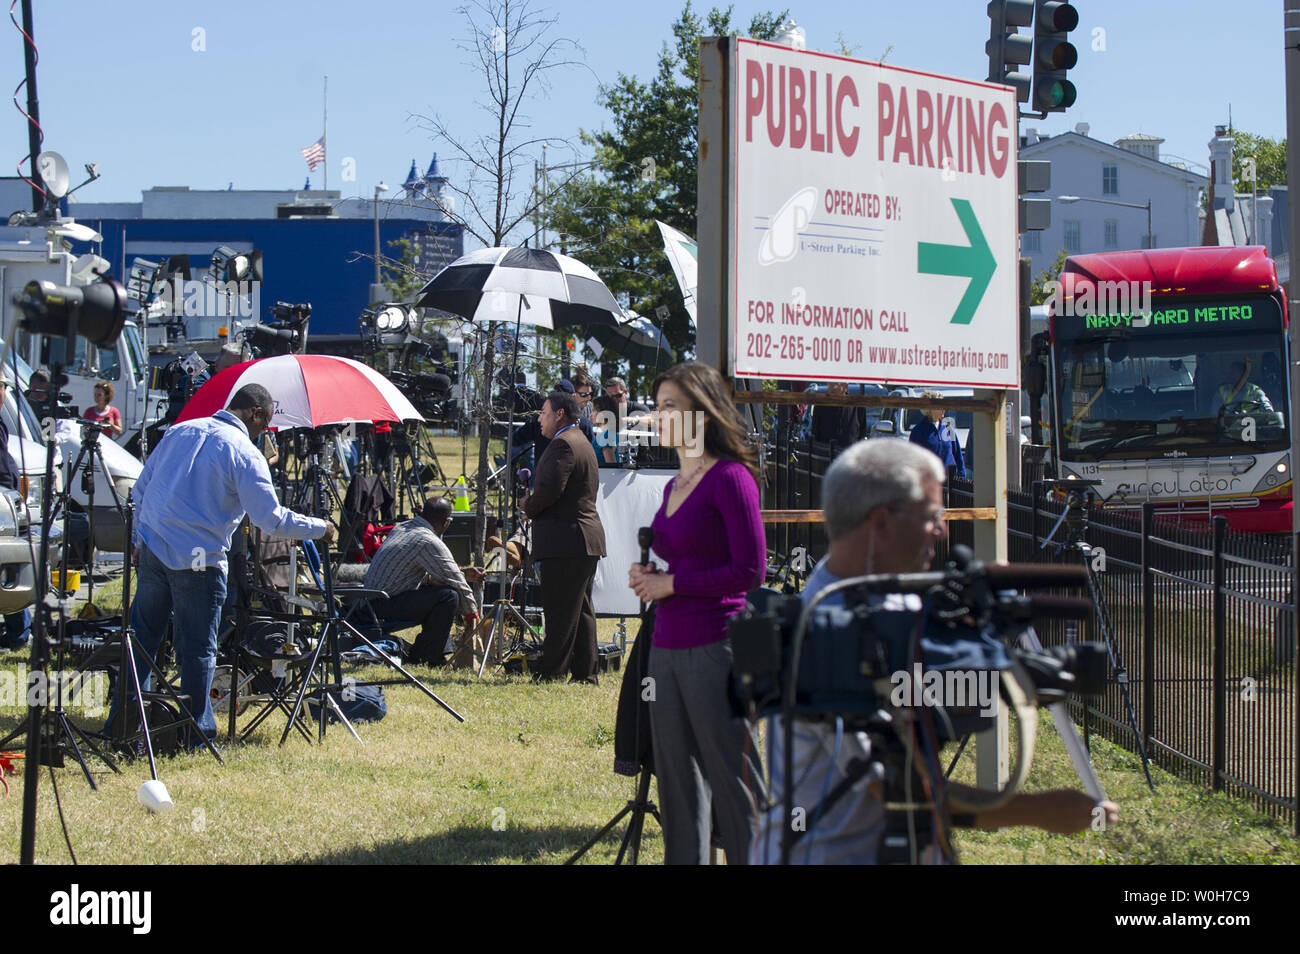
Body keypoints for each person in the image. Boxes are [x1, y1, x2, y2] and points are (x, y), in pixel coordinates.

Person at [753, 440, 1118, 864]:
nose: (943, 529)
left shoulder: (893, 601)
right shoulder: (829, 633)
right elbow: (900, 789)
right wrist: (1041, 810)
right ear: (881, 523)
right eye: (932, 517)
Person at [120, 384, 336, 744]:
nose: (263, 432)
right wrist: (321, 528)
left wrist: (139, 540)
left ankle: (125, 723)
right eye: (264, 423)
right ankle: (196, 733)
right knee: (196, 650)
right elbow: (272, 520)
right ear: (254, 414)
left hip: (155, 548)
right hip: (199, 559)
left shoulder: (180, 430)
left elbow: (140, 490)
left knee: (141, 640)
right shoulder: (244, 453)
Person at [627, 361, 767, 864]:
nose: (658, 416)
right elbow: (682, 561)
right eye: (657, 406)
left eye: (670, 407)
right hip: (666, 645)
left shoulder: (731, 478)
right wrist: (651, 579)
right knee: (680, 789)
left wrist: (673, 582)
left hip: (716, 647)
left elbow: (750, 570)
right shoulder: (673, 485)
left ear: (701, 414)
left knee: (735, 781)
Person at [523, 389, 606, 683]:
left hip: (567, 540)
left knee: (560, 611)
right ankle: (585, 673)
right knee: (580, 611)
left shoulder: (564, 445)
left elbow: (550, 491)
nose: (539, 419)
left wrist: (527, 506)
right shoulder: (580, 441)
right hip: (581, 539)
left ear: (559, 414)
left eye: (544, 413)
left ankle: (552, 673)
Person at [364, 497, 483, 665]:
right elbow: (456, 582)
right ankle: (426, 656)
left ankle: (433, 650)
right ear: (446, 522)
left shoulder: (403, 528)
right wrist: (473, 617)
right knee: (449, 596)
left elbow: (414, 575)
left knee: (443, 592)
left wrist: (463, 573)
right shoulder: (428, 540)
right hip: (381, 606)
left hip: (368, 603)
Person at [0, 371, 29, 650]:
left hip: (8, 505)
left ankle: (19, 633)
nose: (3, 395)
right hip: (3, 507)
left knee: (11, 567)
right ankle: (19, 632)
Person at [909, 389, 967, 479]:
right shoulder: (918, 431)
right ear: (929, 409)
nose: (944, 409)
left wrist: (962, 476)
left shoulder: (948, 429)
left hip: (951, 482)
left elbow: (958, 456)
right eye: (940, 406)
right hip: (931, 482)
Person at [810, 381, 867, 445]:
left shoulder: (857, 406)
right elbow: (815, 432)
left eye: (836, 384)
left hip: (849, 451)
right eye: (830, 383)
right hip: (825, 451)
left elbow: (862, 433)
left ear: (846, 385)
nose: (833, 387)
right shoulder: (820, 405)